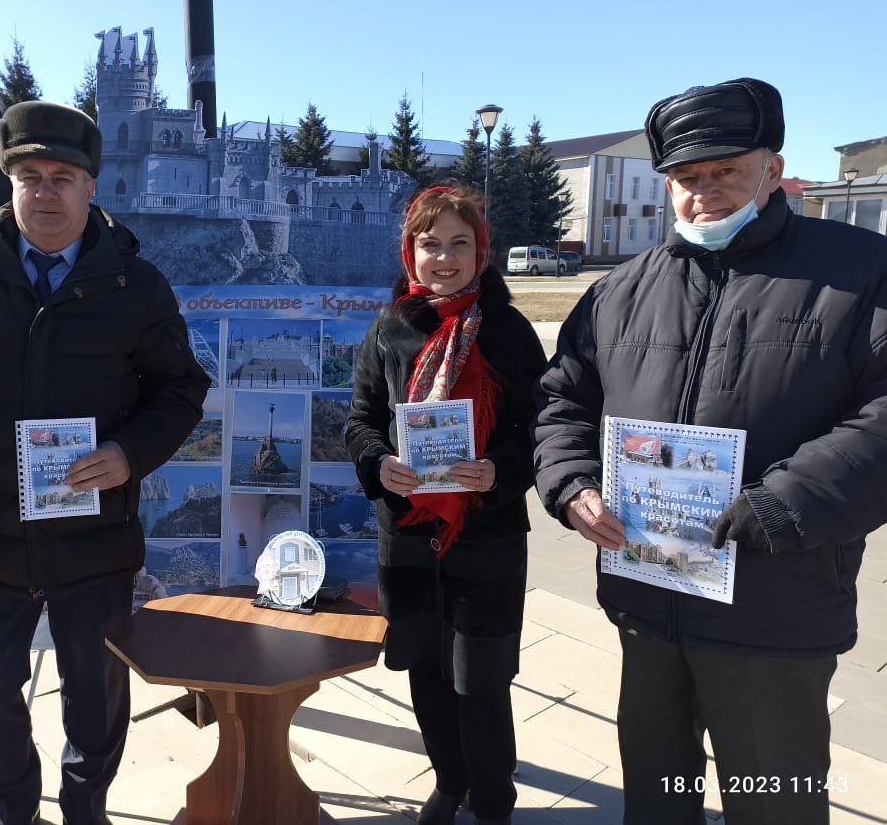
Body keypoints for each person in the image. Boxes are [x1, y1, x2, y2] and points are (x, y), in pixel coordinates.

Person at [533, 78, 887, 825]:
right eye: (687, 178)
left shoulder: (861, 272)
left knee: (774, 803)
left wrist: (783, 502)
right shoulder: (620, 290)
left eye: (725, 169)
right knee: (659, 799)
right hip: (648, 602)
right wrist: (572, 485)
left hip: (773, 605)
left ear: (772, 167)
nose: (705, 191)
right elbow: (563, 401)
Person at [0, 100, 210, 825]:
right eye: (28, 175)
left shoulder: (134, 286)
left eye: (61, 176)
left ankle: (86, 805)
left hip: (95, 532)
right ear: (9, 184)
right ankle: (12, 807)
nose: (44, 191)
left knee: (96, 686)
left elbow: (180, 389)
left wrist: (128, 453)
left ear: (90, 188)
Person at [345, 184, 547, 825]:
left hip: (484, 537)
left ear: (482, 252)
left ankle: (492, 798)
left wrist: (497, 471)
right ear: (410, 251)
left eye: (461, 244)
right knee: (426, 670)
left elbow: (542, 426)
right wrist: (380, 465)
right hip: (406, 533)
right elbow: (360, 420)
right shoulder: (391, 326)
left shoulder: (508, 331)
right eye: (431, 244)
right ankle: (448, 780)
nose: (445, 258)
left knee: (479, 679)